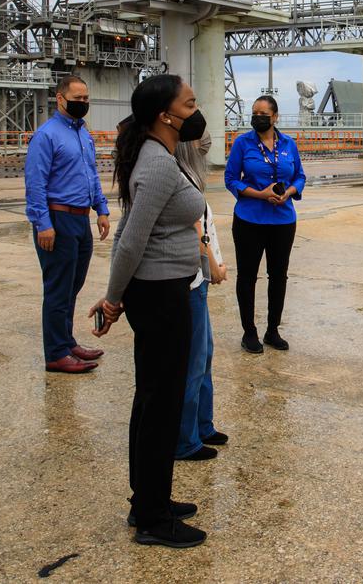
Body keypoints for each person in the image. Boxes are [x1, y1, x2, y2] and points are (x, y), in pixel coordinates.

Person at [88, 74, 209, 548]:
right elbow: (131, 240)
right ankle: (154, 519)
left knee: (153, 399)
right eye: (189, 103)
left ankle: (148, 500)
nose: (195, 110)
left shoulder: (159, 155)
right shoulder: (157, 165)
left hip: (160, 290)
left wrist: (118, 294)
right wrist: (114, 298)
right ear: (165, 114)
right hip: (159, 295)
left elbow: (129, 232)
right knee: (160, 404)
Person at [24, 75, 110, 374]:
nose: (83, 103)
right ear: (60, 98)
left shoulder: (83, 134)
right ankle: (56, 353)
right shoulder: (46, 136)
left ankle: (67, 341)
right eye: (78, 98)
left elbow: (91, 175)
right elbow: (35, 183)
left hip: (80, 217)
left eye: (86, 99)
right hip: (57, 219)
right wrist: (43, 224)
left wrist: (101, 209)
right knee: (58, 289)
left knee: (72, 286)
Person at [224, 95, 307, 353]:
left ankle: (273, 330)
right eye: (254, 113)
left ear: (275, 117)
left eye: (263, 114)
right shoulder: (243, 143)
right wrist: (259, 194)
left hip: (283, 220)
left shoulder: (288, 144)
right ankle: (249, 332)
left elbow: (300, 176)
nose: (257, 117)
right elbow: (230, 179)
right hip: (250, 219)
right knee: (247, 276)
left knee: (278, 276)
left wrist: (289, 191)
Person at [173, 135, 230, 461]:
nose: (205, 158)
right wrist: (213, 265)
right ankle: (185, 439)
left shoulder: (189, 177)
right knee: (193, 362)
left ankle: (202, 424)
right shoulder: (180, 180)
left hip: (201, 279)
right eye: (201, 151)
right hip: (193, 280)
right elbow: (196, 232)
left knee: (204, 355)